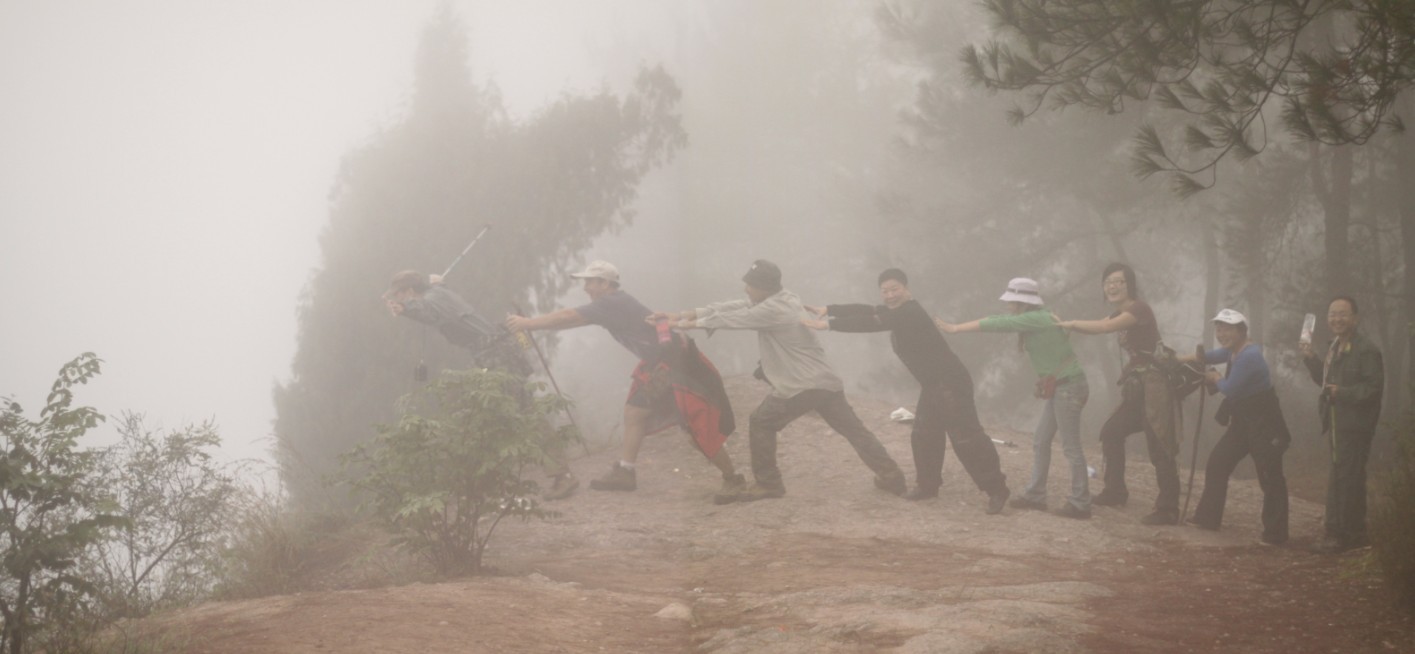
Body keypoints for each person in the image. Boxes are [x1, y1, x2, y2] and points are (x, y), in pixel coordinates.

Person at [654, 260, 909, 503]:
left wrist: (686, 323)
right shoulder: (784, 298)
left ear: (763, 288)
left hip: (800, 385)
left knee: (761, 421)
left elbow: (734, 319)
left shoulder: (773, 309)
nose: (746, 288)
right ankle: (891, 476)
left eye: (750, 284)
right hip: (824, 380)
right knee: (854, 430)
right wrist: (680, 315)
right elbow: (736, 306)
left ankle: (768, 483)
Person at [505, 260, 742, 502]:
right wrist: (533, 326)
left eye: (590, 282)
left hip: (677, 367)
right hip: (665, 363)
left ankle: (732, 478)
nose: (586, 287)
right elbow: (572, 320)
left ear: (605, 283)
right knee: (636, 413)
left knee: (692, 429)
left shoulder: (612, 302)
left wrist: (528, 324)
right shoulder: (610, 303)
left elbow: (569, 315)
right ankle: (626, 471)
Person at [800, 268, 1011, 514]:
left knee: (966, 438)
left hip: (951, 383)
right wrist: (831, 308)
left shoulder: (910, 312)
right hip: (934, 385)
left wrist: (828, 325)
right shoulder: (897, 311)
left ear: (906, 288)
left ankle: (997, 490)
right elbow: (870, 310)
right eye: (885, 291)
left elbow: (871, 322)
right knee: (924, 433)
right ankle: (928, 486)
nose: (889, 295)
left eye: (894, 289)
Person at [384, 270, 576, 500]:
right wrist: (438, 283)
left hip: (495, 353)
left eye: (399, 295)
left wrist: (405, 309)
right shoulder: (438, 292)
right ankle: (502, 484)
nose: (398, 299)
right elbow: (436, 293)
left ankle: (560, 475)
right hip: (494, 351)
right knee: (502, 413)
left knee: (524, 413)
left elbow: (425, 309)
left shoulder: (432, 300)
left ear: (410, 291)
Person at [936, 277, 1087, 518]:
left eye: (1012, 302)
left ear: (1022, 302)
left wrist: (957, 328)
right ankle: (1036, 495)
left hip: (1068, 387)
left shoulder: (1036, 319)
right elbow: (1000, 320)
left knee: (1071, 447)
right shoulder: (1036, 317)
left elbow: (998, 324)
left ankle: (1080, 503)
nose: (1008, 306)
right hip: (1061, 386)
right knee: (1040, 441)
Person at [1056, 263, 1181, 526]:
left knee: (1159, 442)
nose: (1112, 286)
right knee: (1112, 432)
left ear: (1130, 285)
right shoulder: (1119, 313)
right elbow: (1099, 324)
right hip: (1138, 385)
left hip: (1155, 385)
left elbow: (1102, 329)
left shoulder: (1139, 309)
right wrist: (1063, 324)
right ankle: (1115, 491)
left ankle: (1168, 508)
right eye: (1108, 282)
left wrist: (1069, 324)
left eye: (1118, 282)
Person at [1178, 309, 1290, 545]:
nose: (1222, 334)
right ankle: (1208, 518)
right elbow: (1206, 356)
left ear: (1241, 331)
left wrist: (1214, 377)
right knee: (1218, 462)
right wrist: (1177, 359)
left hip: (1264, 424)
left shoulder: (1250, 355)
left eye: (1227, 329)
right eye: (1218, 329)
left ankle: (1276, 534)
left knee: (1270, 477)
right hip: (1243, 422)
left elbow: (1230, 388)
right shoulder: (1234, 350)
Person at [1299, 296, 1384, 554]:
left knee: (1348, 478)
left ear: (1355, 319)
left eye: (1343, 314)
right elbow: (1325, 382)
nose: (1337, 319)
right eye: (1333, 314)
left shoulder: (1366, 350)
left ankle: (1341, 535)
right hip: (1337, 423)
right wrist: (1311, 358)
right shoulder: (1335, 346)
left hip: (1355, 425)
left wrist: (1343, 393)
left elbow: (1373, 389)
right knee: (1344, 477)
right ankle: (1353, 534)